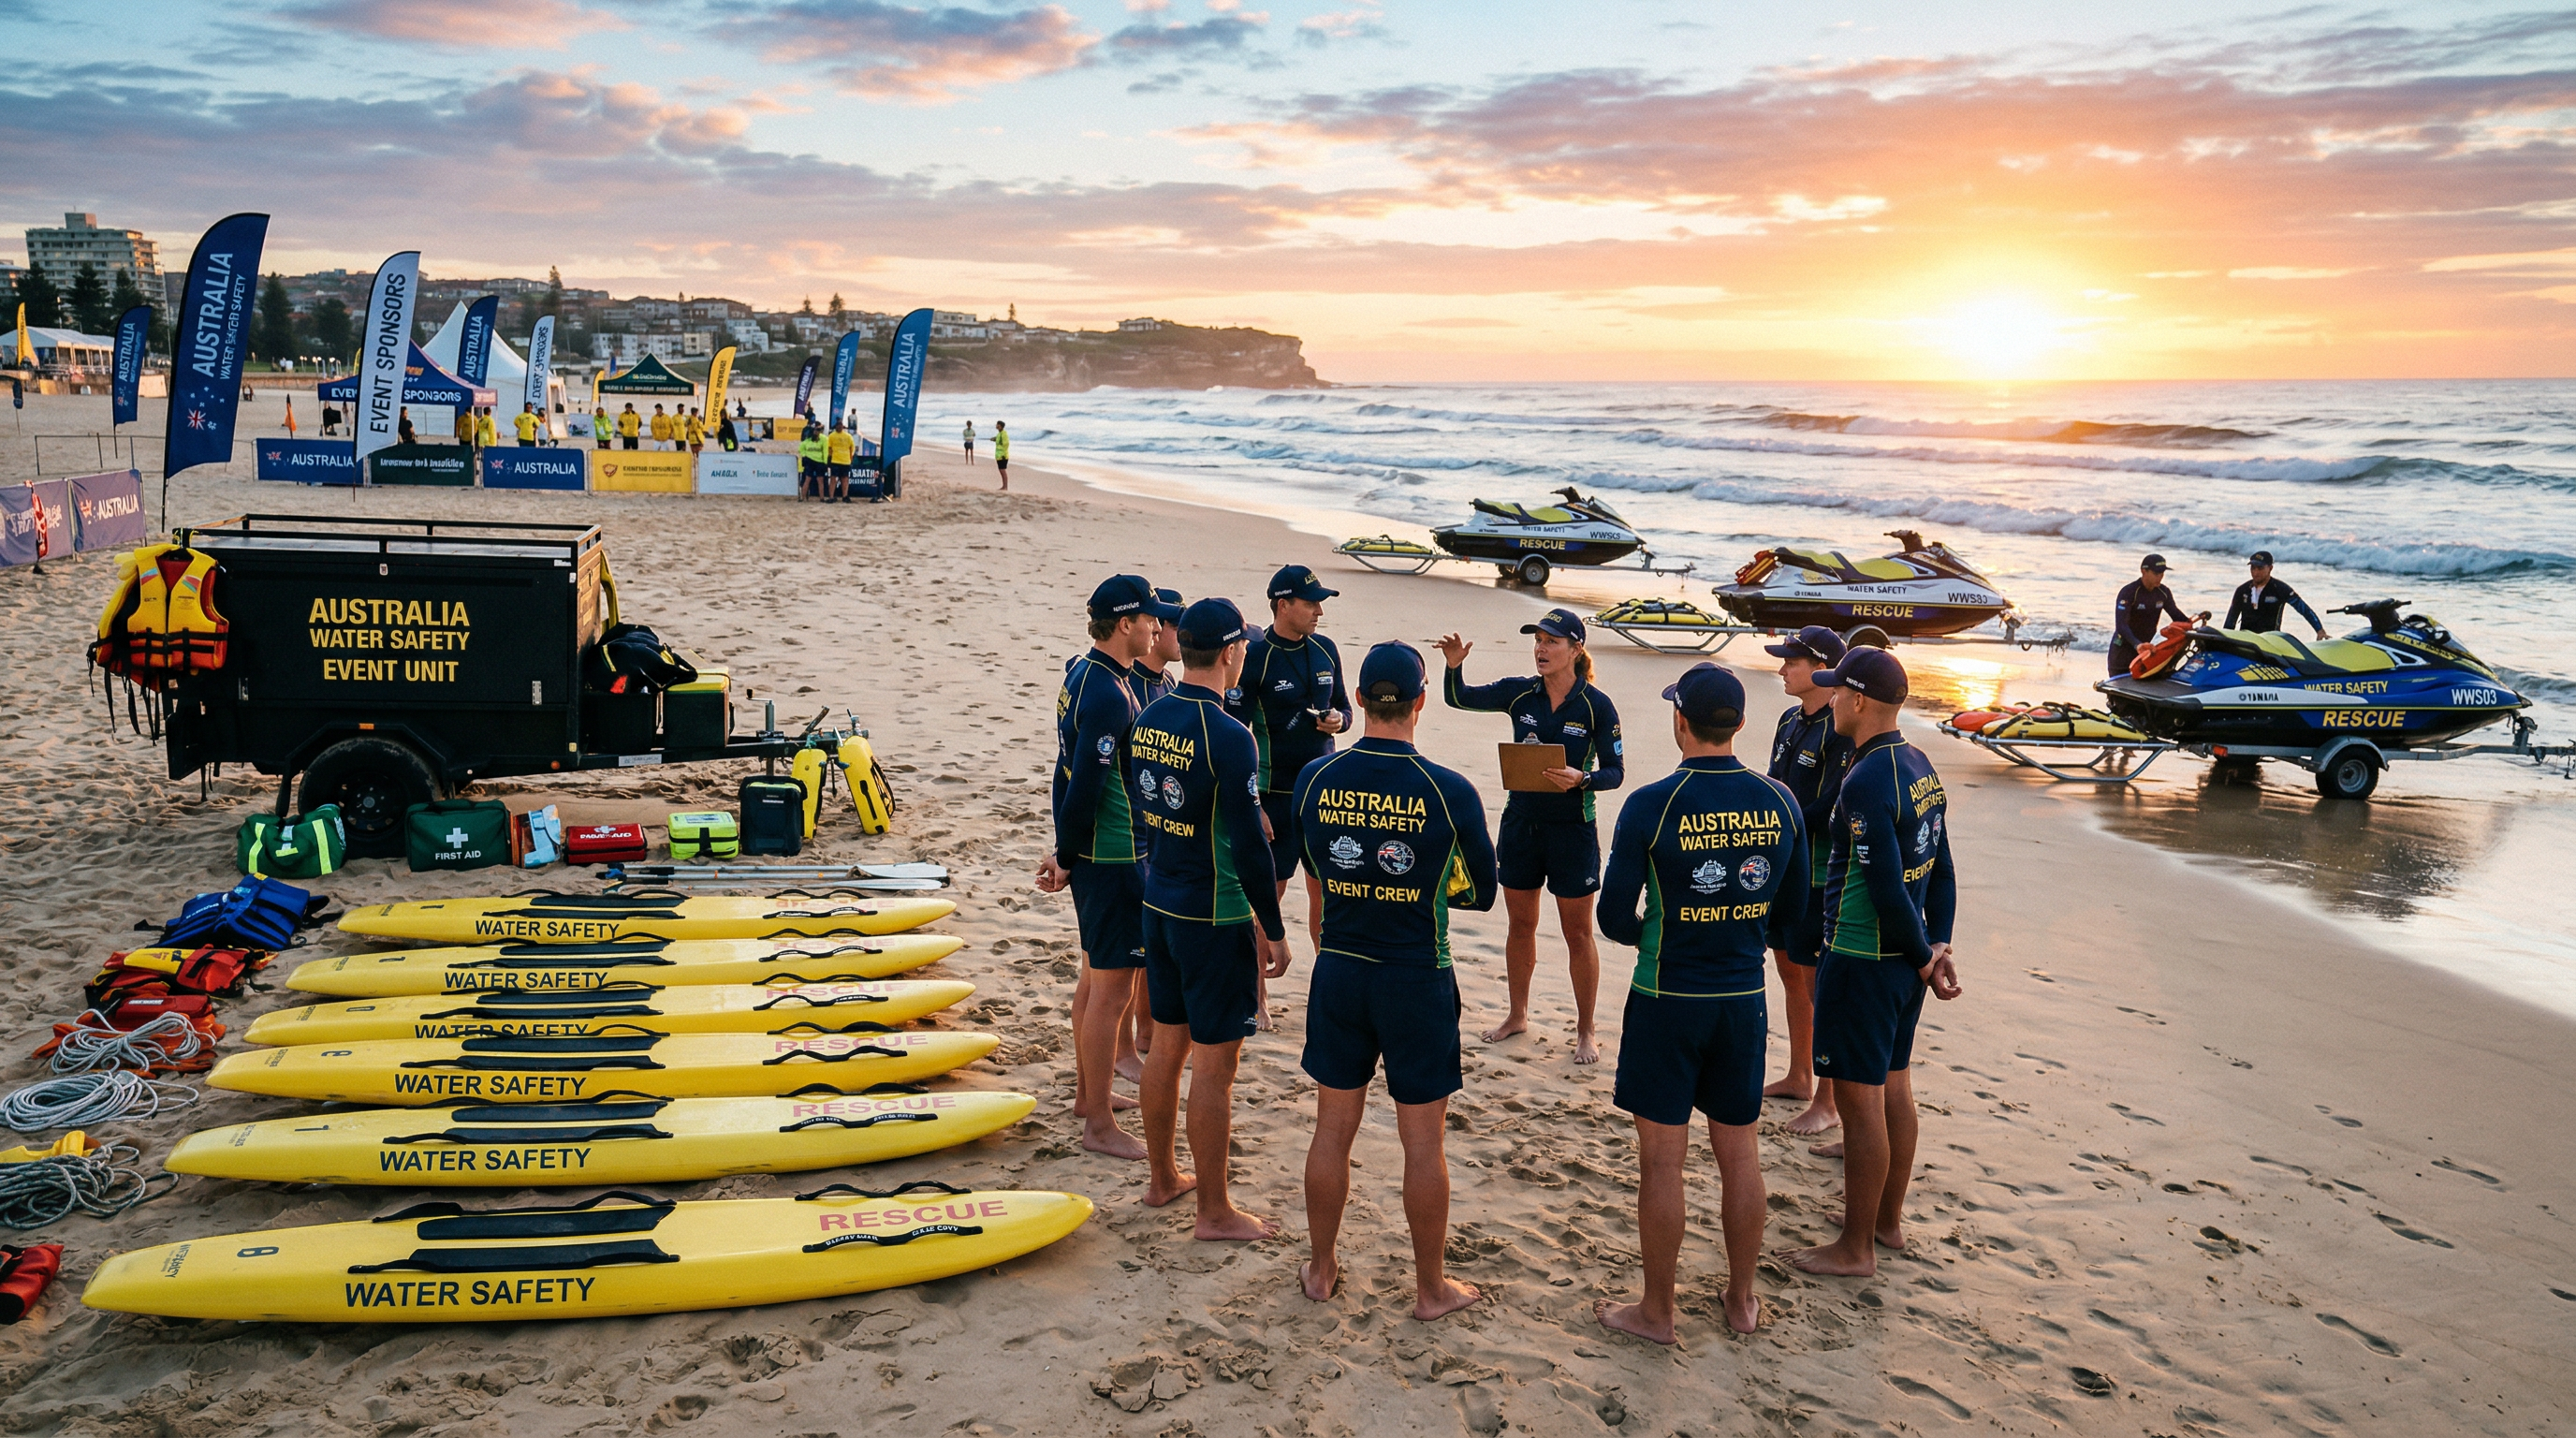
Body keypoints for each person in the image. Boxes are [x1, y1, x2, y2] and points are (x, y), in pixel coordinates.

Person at [1596, 663, 1807, 1341]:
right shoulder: (1779, 801)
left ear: (1679, 721)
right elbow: (1794, 914)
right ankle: (1741, 1299)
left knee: (1662, 1160)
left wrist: (1659, 933)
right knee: (1739, 1154)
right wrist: (1741, 931)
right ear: (1740, 724)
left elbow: (1612, 916)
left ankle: (1658, 1311)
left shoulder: (1653, 802)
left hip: (1666, 993)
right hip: (1741, 995)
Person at [1295, 641, 1498, 1320]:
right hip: (1417, 972)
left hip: (1342, 966)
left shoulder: (1315, 779)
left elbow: (1314, 867)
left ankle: (1321, 1267)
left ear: (1356, 702)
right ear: (1420, 701)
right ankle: (1430, 1287)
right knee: (1422, 1142)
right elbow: (1480, 892)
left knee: (1333, 1130)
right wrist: (1420, 884)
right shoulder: (1450, 789)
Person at [1787, 648, 1964, 1281]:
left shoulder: (1864, 779)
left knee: (1862, 1105)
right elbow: (1940, 870)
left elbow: (1888, 888)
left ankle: (1855, 1247)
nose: (1830, 699)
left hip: (1863, 959)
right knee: (1894, 1086)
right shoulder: (1918, 764)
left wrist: (1923, 956)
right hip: (1904, 963)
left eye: (1837, 692)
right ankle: (1886, 1224)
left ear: (1859, 702)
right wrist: (1936, 947)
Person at [1130, 597, 1289, 1240]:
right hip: (1213, 913)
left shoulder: (1151, 714)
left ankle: (1163, 1176)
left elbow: (1150, 807)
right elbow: (1251, 849)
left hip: (1160, 899)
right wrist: (1272, 929)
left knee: (1167, 1045)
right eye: (1243, 645)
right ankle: (1215, 1211)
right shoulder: (1228, 733)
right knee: (1216, 1067)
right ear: (1229, 653)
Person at [1437, 608, 1624, 1064]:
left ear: (1576, 650)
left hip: (1573, 831)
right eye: (1538, 640)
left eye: (1552, 641)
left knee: (1577, 933)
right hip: (1521, 825)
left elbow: (1616, 772)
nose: (1541, 649)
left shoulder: (1596, 706)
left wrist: (1584, 779)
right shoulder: (1520, 693)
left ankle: (1586, 1030)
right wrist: (1454, 666)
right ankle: (1517, 1014)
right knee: (1521, 925)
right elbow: (1459, 700)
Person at [1035, 575, 1180, 1161]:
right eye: (1149, 618)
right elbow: (1086, 784)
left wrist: (1067, 851)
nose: (1155, 626)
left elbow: (1063, 770)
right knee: (1110, 993)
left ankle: (1085, 1095)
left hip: (1098, 852)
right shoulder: (1108, 693)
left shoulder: (1086, 673)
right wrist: (1067, 856)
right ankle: (1097, 1123)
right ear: (1125, 624)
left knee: (1096, 980)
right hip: (1114, 854)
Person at [1232, 565, 1352, 1020]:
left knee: (1328, 898)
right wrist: (1253, 804)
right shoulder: (1257, 656)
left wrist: (1339, 720)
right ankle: (1258, 996)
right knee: (1268, 899)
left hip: (1322, 795)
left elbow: (1344, 705)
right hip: (1274, 793)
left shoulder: (1326, 648)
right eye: (1311, 602)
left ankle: (1331, 993)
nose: (1320, 611)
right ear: (1283, 606)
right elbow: (1236, 732)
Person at [1761, 625, 1852, 1137]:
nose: (1781, 670)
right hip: (1784, 868)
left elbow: (1829, 810)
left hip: (1820, 875)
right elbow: (1776, 785)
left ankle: (1829, 1100)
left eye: (1789, 662)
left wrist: (1777, 821)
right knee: (1790, 973)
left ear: (1819, 669)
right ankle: (1800, 1074)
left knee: (1821, 989)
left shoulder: (1840, 730)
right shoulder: (1789, 719)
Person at [2110, 554, 2195, 676]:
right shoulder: (2129, 592)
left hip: (2146, 653)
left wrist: (2195, 627)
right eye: (2156, 574)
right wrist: (2137, 644)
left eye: (2162, 574)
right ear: (2144, 571)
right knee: (2117, 694)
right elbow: (2121, 625)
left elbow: (2177, 615)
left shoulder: (2163, 593)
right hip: (2122, 652)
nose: (2160, 577)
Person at [2225, 550, 2328, 638]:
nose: (2255, 572)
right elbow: (2231, 620)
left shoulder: (2280, 589)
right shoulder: (2242, 590)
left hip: (2271, 641)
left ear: (2270, 568)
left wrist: (2319, 630)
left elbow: (2304, 609)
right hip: (2246, 639)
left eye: (2260, 568)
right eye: (2253, 568)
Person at [797, 424, 828, 499]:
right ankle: (803, 498)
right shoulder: (807, 440)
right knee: (808, 479)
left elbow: (825, 451)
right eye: (815, 430)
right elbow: (801, 449)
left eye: (818, 430)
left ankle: (822, 498)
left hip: (819, 462)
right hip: (810, 461)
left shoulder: (823, 439)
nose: (816, 432)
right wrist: (804, 456)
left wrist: (825, 462)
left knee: (820, 480)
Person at [827, 422, 856, 502]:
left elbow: (852, 448)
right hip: (835, 460)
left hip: (845, 461)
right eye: (838, 426)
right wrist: (829, 457)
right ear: (836, 427)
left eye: (841, 426)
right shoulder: (832, 436)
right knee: (833, 479)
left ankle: (845, 496)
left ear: (843, 427)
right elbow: (829, 448)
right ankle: (831, 497)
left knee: (845, 479)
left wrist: (851, 458)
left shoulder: (848, 436)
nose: (839, 427)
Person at [991, 419, 1010, 490]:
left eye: (998, 425)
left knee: (1003, 471)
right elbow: (999, 440)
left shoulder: (1004, 433)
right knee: (1001, 470)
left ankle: (1005, 487)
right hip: (999, 455)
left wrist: (1003, 454)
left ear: (1001, 426)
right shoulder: (999, 434)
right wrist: (994, 439)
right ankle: (1004, 486)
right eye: (997, 424)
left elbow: (1006, 444)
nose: (997, 426)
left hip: (1003, 455)